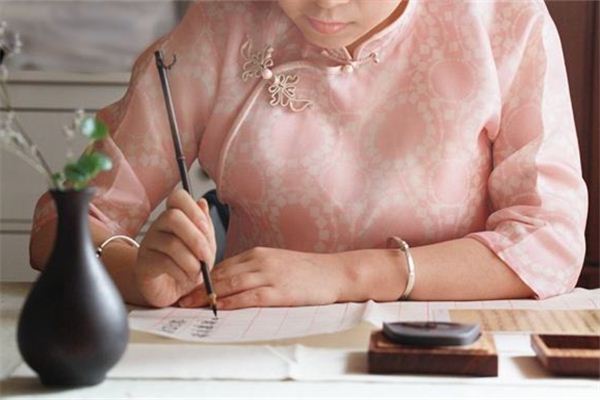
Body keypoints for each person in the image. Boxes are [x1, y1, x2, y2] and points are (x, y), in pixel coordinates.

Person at [29, 0, 588, 310]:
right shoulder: (221, 24)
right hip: (252, 358)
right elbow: (60, 224)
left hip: (446, 356)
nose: (325, 3)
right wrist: (136, 272)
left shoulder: (505, 21)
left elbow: (549, 240)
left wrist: (348, 276)